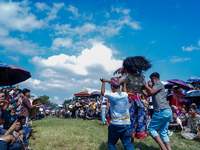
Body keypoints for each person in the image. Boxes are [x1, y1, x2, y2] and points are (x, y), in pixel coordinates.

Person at [114, 56, 152, 145]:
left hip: (128, 101)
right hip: (138, 102)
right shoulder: (141, 78)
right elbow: (148, 93)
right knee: (135, 121)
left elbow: (115, 83)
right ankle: (132, 143)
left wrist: (107, 80)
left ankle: (127, 143)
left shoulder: (126, 76)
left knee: (127, 120)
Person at [100, 77, 134, 150]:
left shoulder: (112, 96)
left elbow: (102, 93)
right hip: (127, 123)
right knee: (128, 144)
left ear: (112, 87)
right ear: (119, 86)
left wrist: (103, 82)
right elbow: (124, 90)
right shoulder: (125, 95)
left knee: (111, 143)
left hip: (116, 124)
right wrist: (124, 83)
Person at [142, 72, 172, 150]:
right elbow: (148, 94)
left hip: (161, 110)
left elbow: (151, 92)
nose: (151, 82)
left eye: (151, 80)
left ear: (153, 78)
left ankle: (163, 148)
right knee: (163, 132)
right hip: (167, 111)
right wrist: (141, 89)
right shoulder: (157, 86)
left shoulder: (158, 83)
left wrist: (144, 84)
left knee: (151, 129)